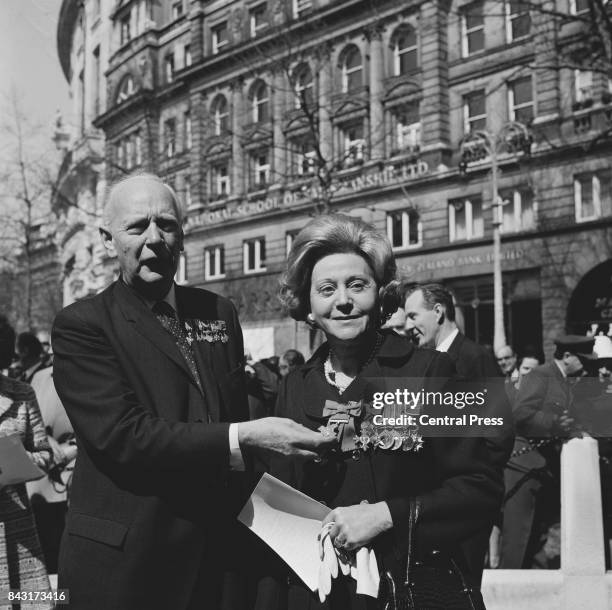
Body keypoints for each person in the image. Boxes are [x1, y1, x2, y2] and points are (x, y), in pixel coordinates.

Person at [51, 173, 334, 610]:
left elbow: (234, 435)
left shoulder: (217, 312)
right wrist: (245, 436)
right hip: (127, 566)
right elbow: (124, 436)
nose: (154, 239)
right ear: (108, 241)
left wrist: (313, 527)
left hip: (215, 561)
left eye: (166, 224)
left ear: (183, 235)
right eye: (137, 227)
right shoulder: (83, 325)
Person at [256, 215, 503, 609]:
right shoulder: (295, 385)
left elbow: (480, 488)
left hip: (406, 588)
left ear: (381, 293)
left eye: (358, 285)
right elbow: (281, 503)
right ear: (308, 304)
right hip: (319, 594)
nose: (343, 301)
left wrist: (388, 515)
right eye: (326, 289)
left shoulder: (429, 371)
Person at [402, 282, 513, 578]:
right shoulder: (425, 362)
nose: (407, 325)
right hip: (435, 498)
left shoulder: (474, 357)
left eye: (413, 316)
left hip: (467, 499)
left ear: (438, 312)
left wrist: (477, 477)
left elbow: (498, 429)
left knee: (463, 584)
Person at [501, 335, 596, 569]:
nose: (586, 364)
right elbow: (520, 414)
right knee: (518, 538)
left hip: (540, 468)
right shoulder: (541, 375)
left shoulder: (563, 379)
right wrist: (553, 422)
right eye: (583, 359)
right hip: (523, 467)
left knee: (535, 536)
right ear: (567, 356)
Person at [0, 315, 53, 601]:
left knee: (24, 600)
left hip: (16, 527)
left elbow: (44, 452)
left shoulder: (21, 393)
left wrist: (15, 464)